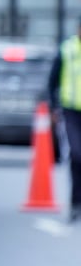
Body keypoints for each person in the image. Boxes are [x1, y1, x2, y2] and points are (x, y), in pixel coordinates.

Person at [48, 17, 81, 223]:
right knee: (77, 155)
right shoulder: (67, 49)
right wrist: (53, 107)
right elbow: (52, 81)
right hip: (70, 111)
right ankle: (75, 201)